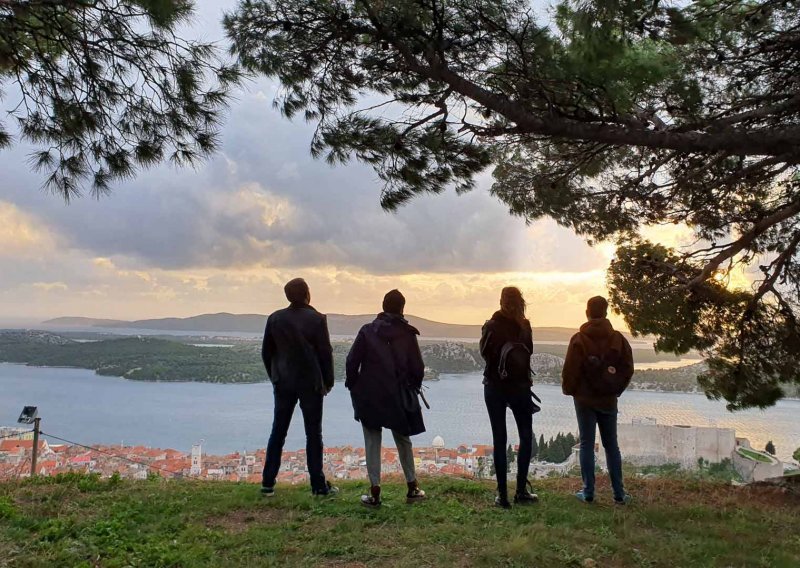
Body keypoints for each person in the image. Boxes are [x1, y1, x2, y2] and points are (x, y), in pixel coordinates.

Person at [345, 289, 427, 508]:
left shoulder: (367, 331)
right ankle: (412, 487)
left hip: (370, 395)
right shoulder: (408, 334)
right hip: (398, 395)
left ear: (383, 306)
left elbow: (352, 362)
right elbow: (417, 367)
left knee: (372, 441)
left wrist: (354, 385)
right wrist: (412, 388)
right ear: (402, 308)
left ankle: (375, 492)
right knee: (403, 439)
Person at [260, 278, 337, 497]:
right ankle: (318, 486)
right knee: (313, 434)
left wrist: (274, 376)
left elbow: (267, 352)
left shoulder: (275, 319)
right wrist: (328, 382)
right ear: (307, 294)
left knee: (278, 431)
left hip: (283, 382)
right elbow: (325, 353)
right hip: (310, 383)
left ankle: (267, 483)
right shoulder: (317, 319)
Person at [562, 296, 634, 505]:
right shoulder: (617, 339)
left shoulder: (578, 339)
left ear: (587, 312)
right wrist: (616, 389)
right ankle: (619, 494)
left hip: (584, 400)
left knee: (586, 444)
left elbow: (570, 371)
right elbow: (627, 368)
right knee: (611, 445)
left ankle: (588, 492)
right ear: (606, 312)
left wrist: (571, 391)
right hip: (608, 400)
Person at [479, 287, 539, 509]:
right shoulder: (525, 326)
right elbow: (528, 352)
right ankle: (521, 490)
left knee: (499, 439)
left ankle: (502, 495)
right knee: (525, 437)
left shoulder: (492, 326)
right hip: (520, 388)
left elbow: (484, 354)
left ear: (501, 301)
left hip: (494, 387)